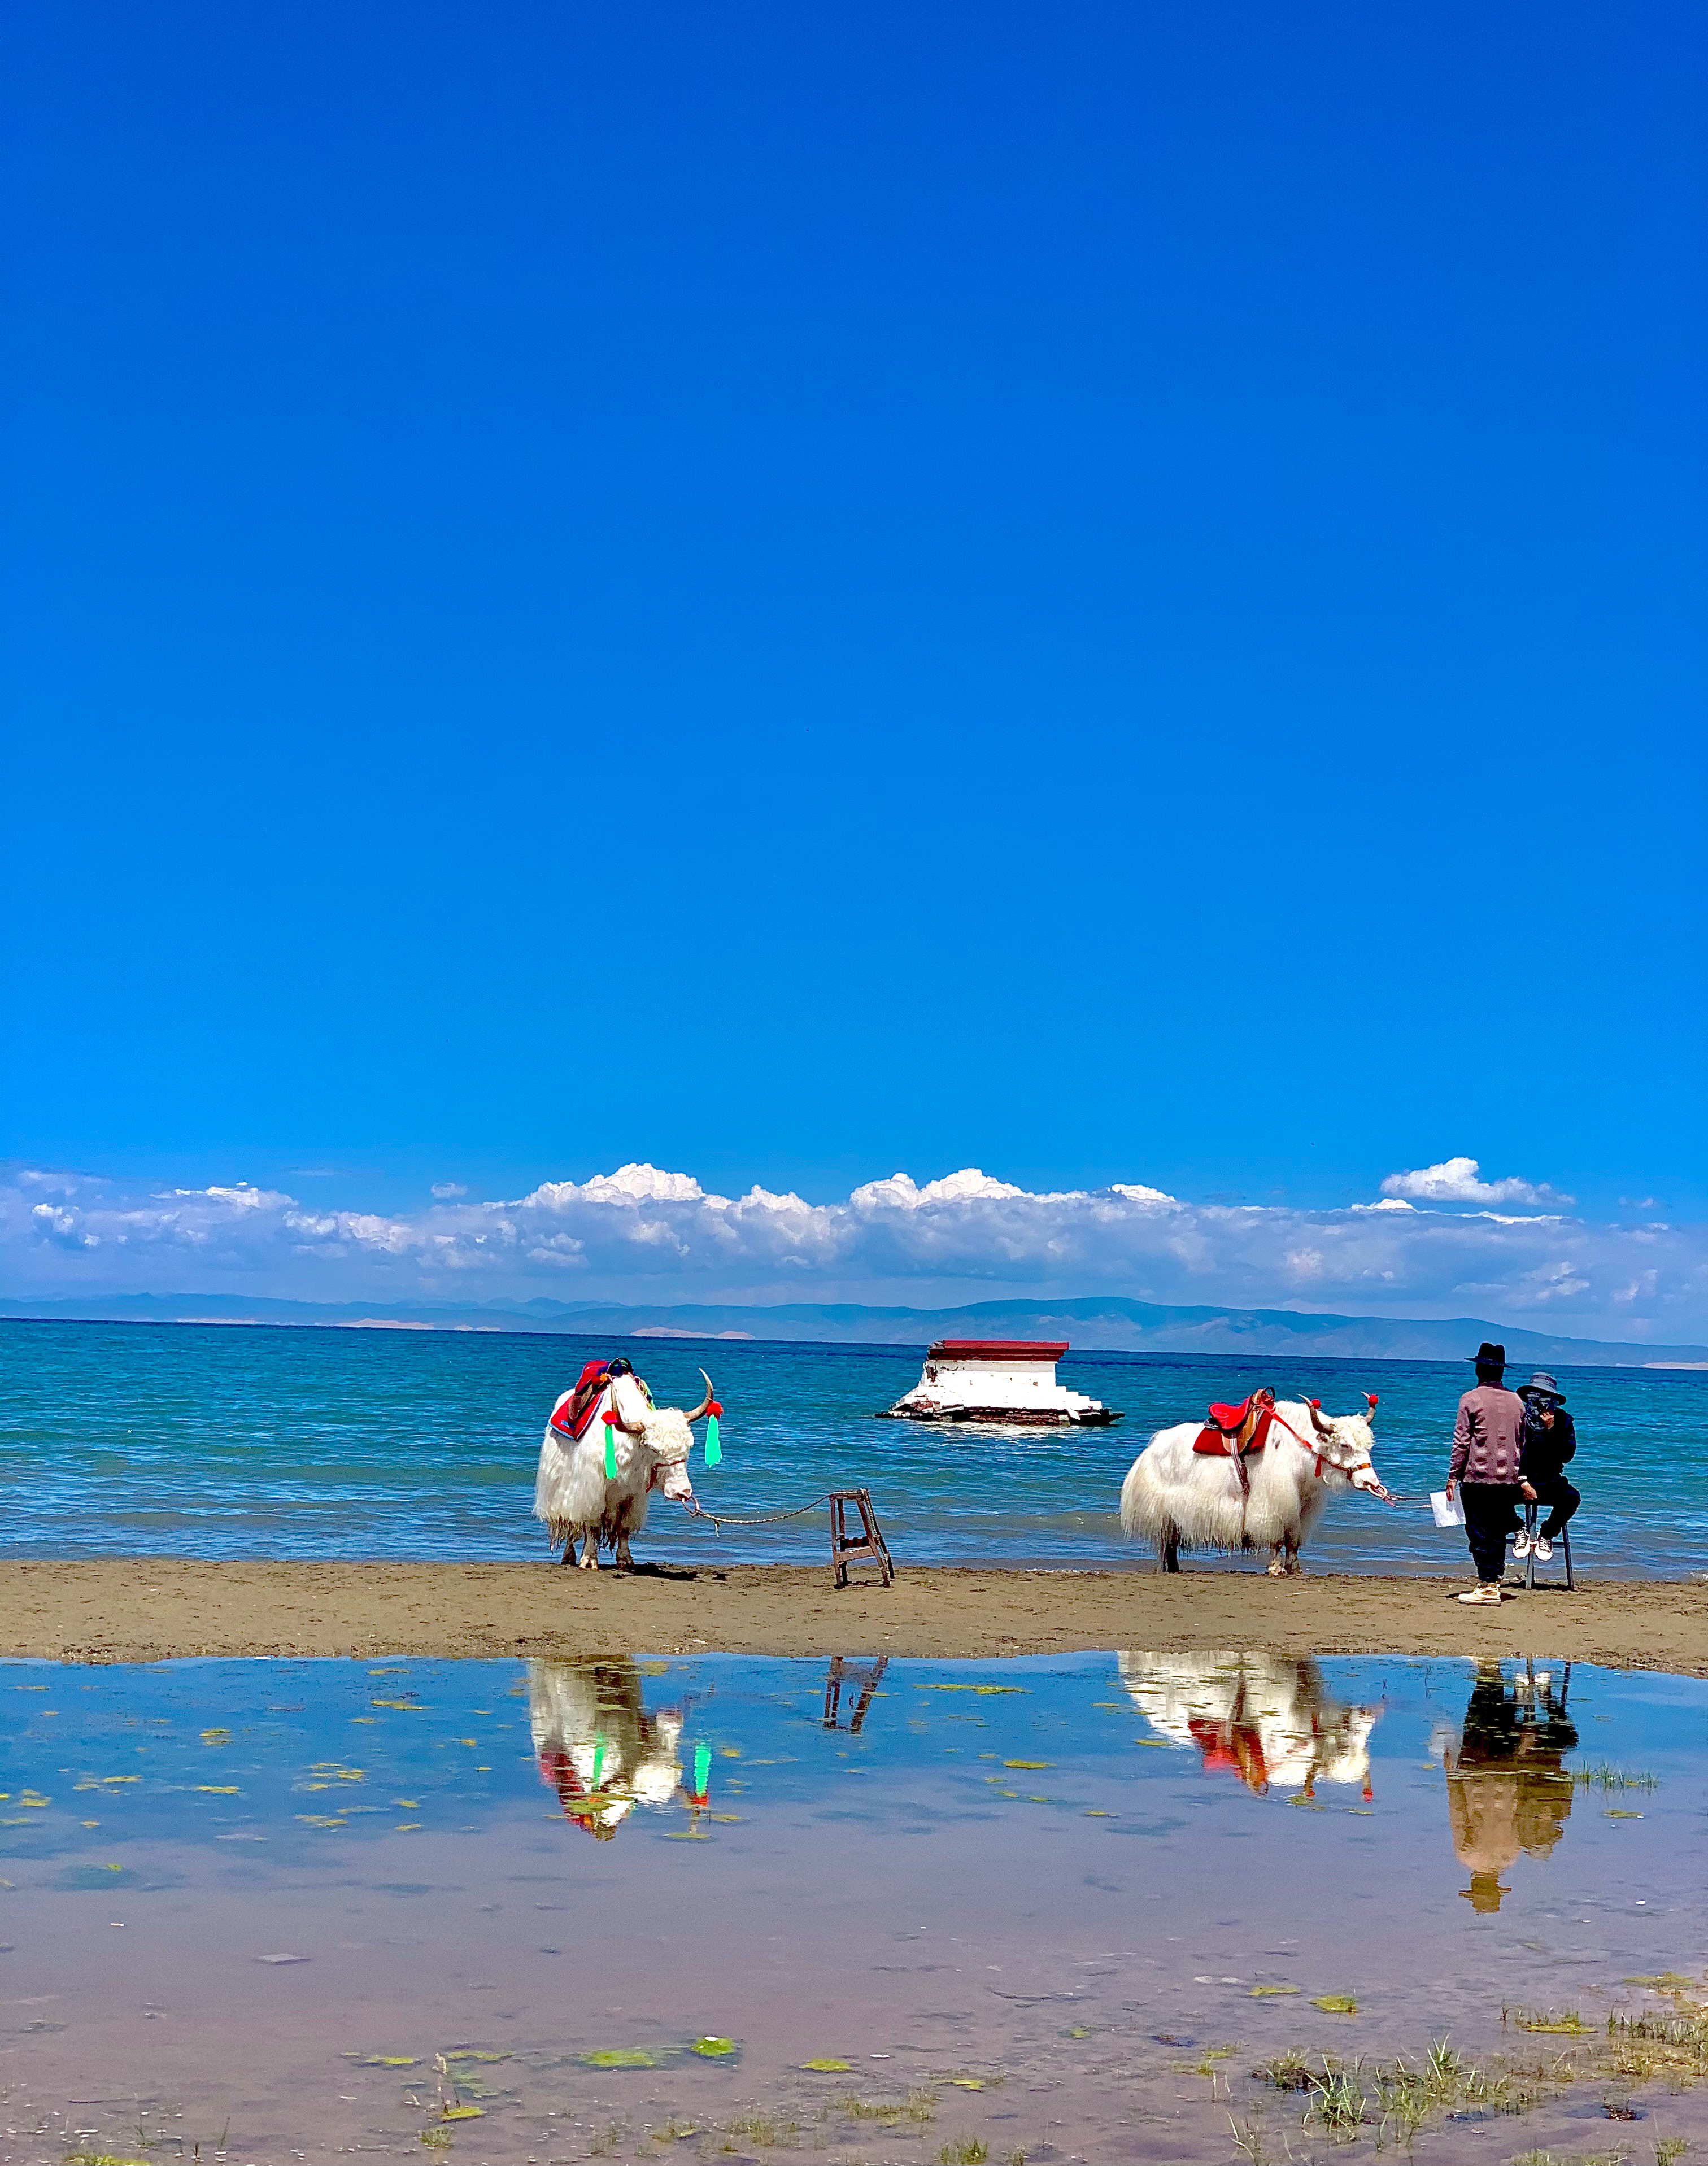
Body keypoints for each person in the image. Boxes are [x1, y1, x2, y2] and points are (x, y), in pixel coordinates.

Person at [1444, 1660, 1577, 1911]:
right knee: (1479, 1720)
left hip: (1507, 1775)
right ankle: (1489, 1675)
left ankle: (1505, 1684)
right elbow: (1458, 1810)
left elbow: (1520, 1809)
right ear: (1476, 1883)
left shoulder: (1511, 1856)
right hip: (1476, 1774)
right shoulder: (1466, 1856)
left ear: (1495, 1883)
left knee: (1502, 1728)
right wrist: (1450, 1773)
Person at [1446, 1341, 1530, 1604]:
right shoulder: (1517, 1401)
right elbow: (1523, 1442)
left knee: (1479, 1531)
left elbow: (1462, 1442)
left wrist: (1452, 1476)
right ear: (1502, 1371)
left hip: (1477, 1476)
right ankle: (1493, 1581)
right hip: (1508, 1477)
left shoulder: (1470, 1399)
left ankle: (1488, 1585)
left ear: (1479, 1370)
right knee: (1496, 1532)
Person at [1515, 1372, 1579, 1563]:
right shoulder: (1517, 1418)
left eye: (1544, 1399)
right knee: (1491, 1496)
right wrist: (1523, 1481)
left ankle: (1546, 1535)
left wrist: (1552, 1430)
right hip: (1520, 1481)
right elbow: (1508, 1453)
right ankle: (1518, 1529)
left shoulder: (1564, 1421)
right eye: (1534, 1398)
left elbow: (1566, 1456)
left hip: (1550, 1480)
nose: (1539, 1404)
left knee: (1572, 1498)